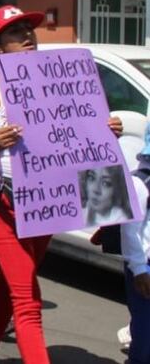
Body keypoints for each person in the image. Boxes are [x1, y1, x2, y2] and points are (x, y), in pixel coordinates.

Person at [0, 5, 123, 364]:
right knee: (28, 300)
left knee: (11, 285)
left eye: (28, 30)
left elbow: (75, 134)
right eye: (15, 32)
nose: (27, 37)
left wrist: (105, 130)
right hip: (3, 205)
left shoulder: (55, 81)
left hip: (46, 204)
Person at [121, 137, 150, 364]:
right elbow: (130, 230)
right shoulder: (140, 183)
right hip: (143, 267)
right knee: (144, 325)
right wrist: (139, 268)